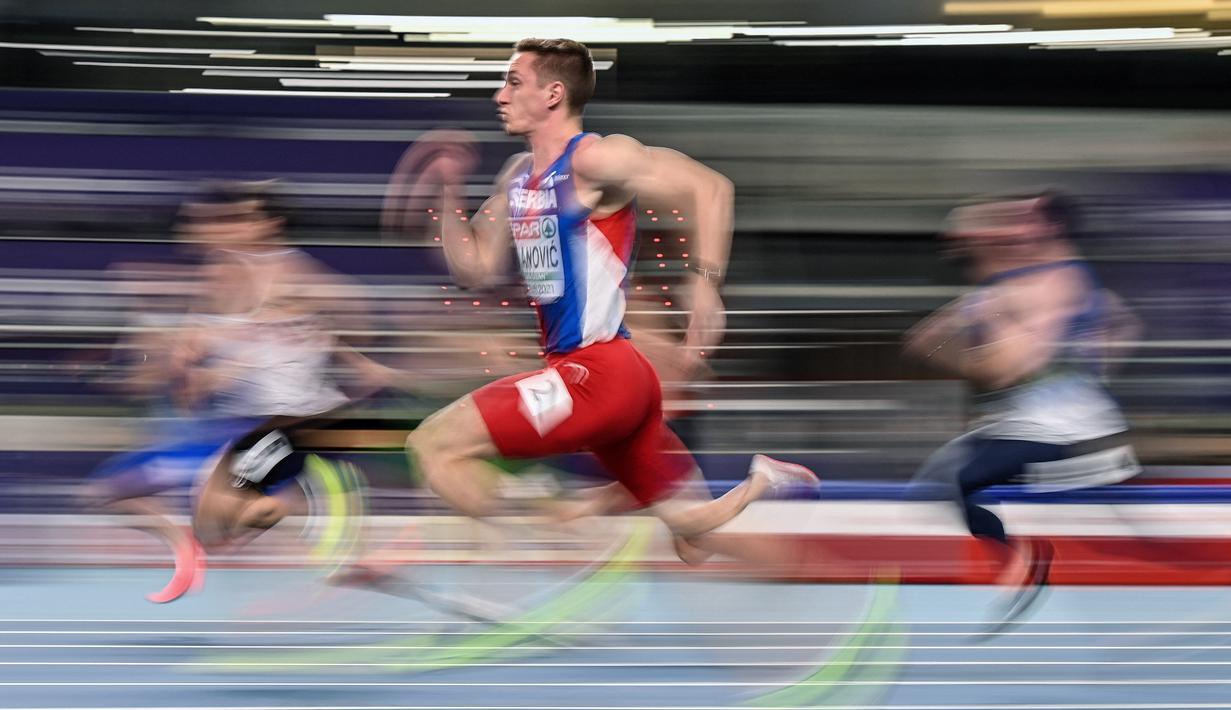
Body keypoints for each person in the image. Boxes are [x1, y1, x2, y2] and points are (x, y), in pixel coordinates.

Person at [392, 37, 817, 568]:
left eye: (513, 82)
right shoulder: (518, 178)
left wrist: (705, 281)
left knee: (433, 444)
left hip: (598, 375)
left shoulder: (596, 157)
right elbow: (474, 267)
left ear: (552, 94)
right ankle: (762, 481)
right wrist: (447, 196)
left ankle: (546, 548)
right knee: (691, 532)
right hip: (613, 381)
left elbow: (710, 189)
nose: (500, 96)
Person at [904, 190, 1141, 625]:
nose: (1015, 229)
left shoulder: (1054, 284)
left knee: (956, 477)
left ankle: (1021, 560)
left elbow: (1005, 370)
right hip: (1033, 424)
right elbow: (925, 340)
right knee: (944, 476)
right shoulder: (1024, 283)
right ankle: (1023, 562)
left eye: (1026, 222)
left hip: (1066, 434)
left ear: (1052, 229)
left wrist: (989, 324)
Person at [185, 183, 393, 556]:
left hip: (298, 419)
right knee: (209, 526)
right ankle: (320, 504)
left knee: (218, 518)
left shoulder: (288, 270)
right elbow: (314, 330)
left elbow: (359, 311)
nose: (235, 227)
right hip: (280, 419)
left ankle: (322, 508)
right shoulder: (238, 272)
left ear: (271, 224)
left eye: (245, 219)